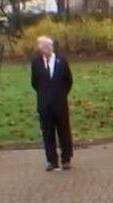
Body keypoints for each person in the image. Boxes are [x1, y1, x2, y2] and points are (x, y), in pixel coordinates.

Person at [30, 36, 74, 171]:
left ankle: (66, 159)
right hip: (44, 105)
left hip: (60, 104)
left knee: (64, 132)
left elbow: (69, 81)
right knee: (47, 133)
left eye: (47, 47)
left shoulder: (62, 61)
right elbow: (34, 83)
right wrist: (45, 95)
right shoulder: (36, 63)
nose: (44, 49)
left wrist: (60, 94)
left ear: (51, 47)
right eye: (42, 47)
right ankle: (51, 161)